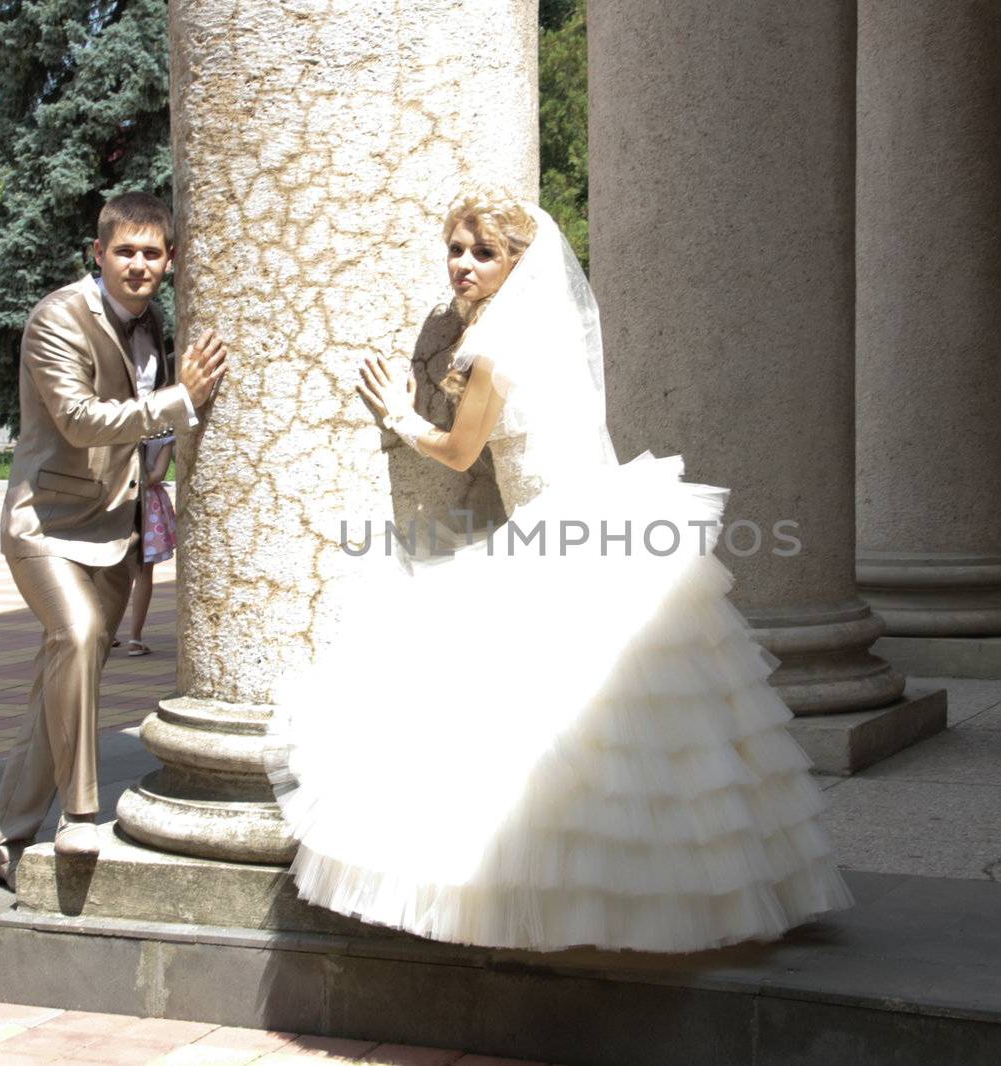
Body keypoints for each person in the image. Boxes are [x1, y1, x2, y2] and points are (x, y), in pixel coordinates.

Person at [263, 191, 852, 952]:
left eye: (484, 252)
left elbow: (459, 452)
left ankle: (562, 898)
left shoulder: (497, 344)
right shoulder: (539, 328)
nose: (464, 265)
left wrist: (399, 414)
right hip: (602, 520)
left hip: (557, 536)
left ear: (518, 263)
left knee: (563, 724)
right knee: (643, 729)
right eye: (456, 248)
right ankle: (674, 892)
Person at [0, 191, 227, 888]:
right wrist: (181, 401)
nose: (138, 265)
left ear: (170, 260)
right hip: (47, 525)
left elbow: (139, 427)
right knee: (84, 635)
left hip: (114, 530)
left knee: (61, 677)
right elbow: (80, 419)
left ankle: (6, 838)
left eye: (152, 253)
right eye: (125, 251)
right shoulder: (58, 317)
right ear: (98, 254)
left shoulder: (155, 325)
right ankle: (80, 815)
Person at [124, 434, 177, 656]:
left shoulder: (120, 423)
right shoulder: (163, 435)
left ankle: (105, 633)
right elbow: (158, 474)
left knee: (109, 571)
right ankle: (135, 637)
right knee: (143, 572)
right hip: (149, 505)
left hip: (118, 501)